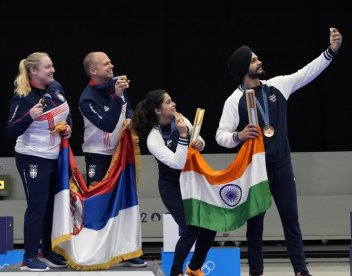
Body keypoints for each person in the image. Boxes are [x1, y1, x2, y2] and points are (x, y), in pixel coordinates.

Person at [216, 28, 343, 276]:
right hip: (256, 171)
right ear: (244, 68)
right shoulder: (234, 101)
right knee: (255, 227)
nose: (259, 60)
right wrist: (238, 136)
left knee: (291, 221)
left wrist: (331, 51)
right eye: (253, 59)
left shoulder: (277, 87)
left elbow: (307, 72)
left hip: (283, 167)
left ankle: (301, 270)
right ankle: (256, 272)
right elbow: (221, 136)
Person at [132, 89, 216, 276]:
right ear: (158, 110)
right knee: (191, 227)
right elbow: (177, 163)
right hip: (172, 186)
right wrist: (184, 136)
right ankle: (175, 272)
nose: (174, 104)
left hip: (192, 180)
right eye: (168, 102)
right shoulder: (153, 139)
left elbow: (200, 140)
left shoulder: (181, 120)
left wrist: (198, 143)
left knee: (211, 224)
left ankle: (194, 268)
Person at [79, 51, 147, 267]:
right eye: (106, 63)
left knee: (126, 202)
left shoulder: (117, 85)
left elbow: (128, 111)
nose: (112, 65)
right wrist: (117, 97)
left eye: (110, 61)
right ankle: (94, 252)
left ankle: (128, 252)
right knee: (98, 203)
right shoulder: (86, 98)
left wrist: (129, 120)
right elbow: (107, 124)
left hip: (121, 154)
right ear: (94, 70)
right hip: (98, 156)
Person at [7, 52, 71, 272]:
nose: (52, 70)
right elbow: (11, 129)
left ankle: (48, 251)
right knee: (37, 206)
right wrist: (29, 117)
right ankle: (29, 257)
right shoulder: (23, 97)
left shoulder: (56, 88)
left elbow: (65, 114)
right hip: (32, 157)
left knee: (52, 206)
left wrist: (68, 127)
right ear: (34, 71)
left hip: (55, 156)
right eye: (47, 67)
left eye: (52, 66)